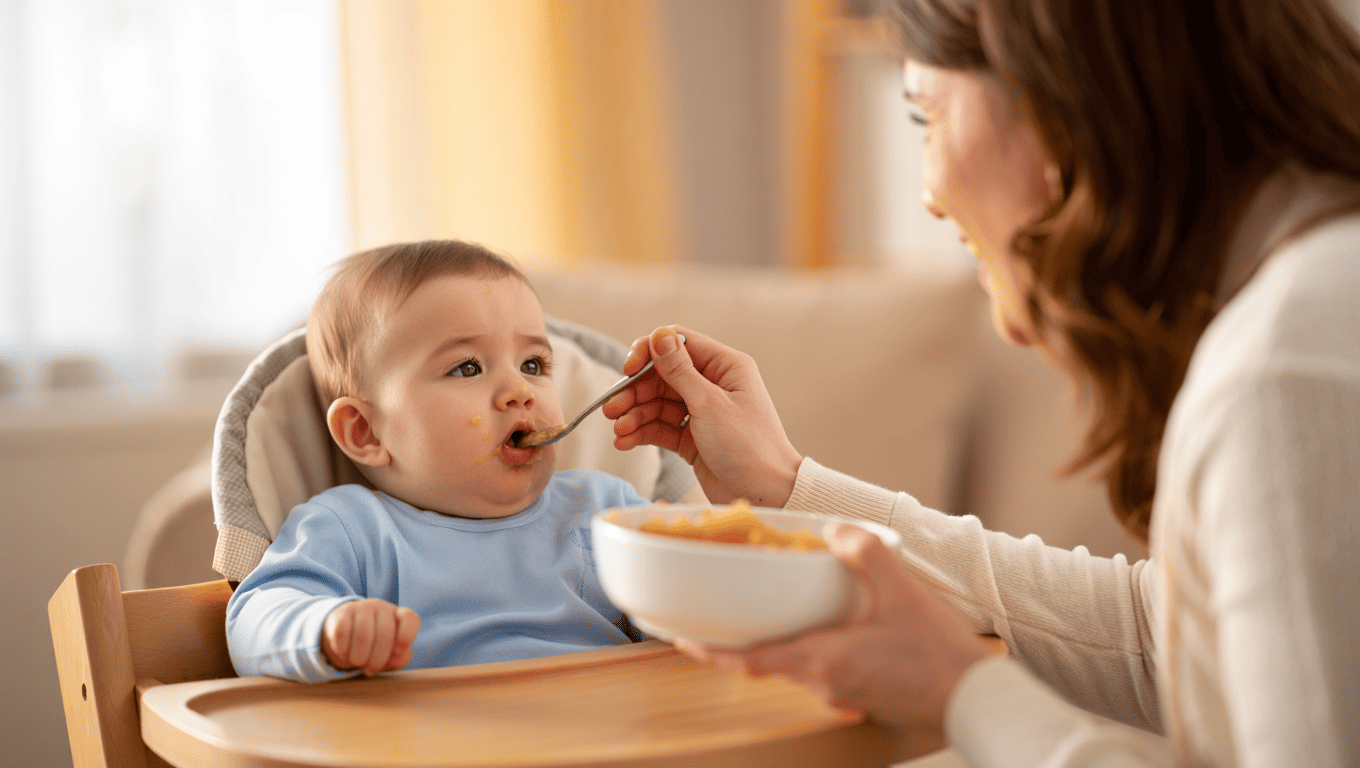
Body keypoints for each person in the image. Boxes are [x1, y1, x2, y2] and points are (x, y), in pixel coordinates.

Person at [604, 0, 1360, 765]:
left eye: (925, 115)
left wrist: (963, 694)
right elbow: (1162, 633)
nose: (929, 194)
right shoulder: (1309, 308)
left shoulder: (1285, 373)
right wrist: (790, 491)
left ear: (1060, 99)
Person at [226, 240, 650, 684]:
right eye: (467, 368)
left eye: (532, 364)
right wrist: (327, 628)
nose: (520, 390)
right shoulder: (352, 530)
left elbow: (703, 624)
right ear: (365, 432)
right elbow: (252, 619)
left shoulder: (603, 511)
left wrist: (687, 561)